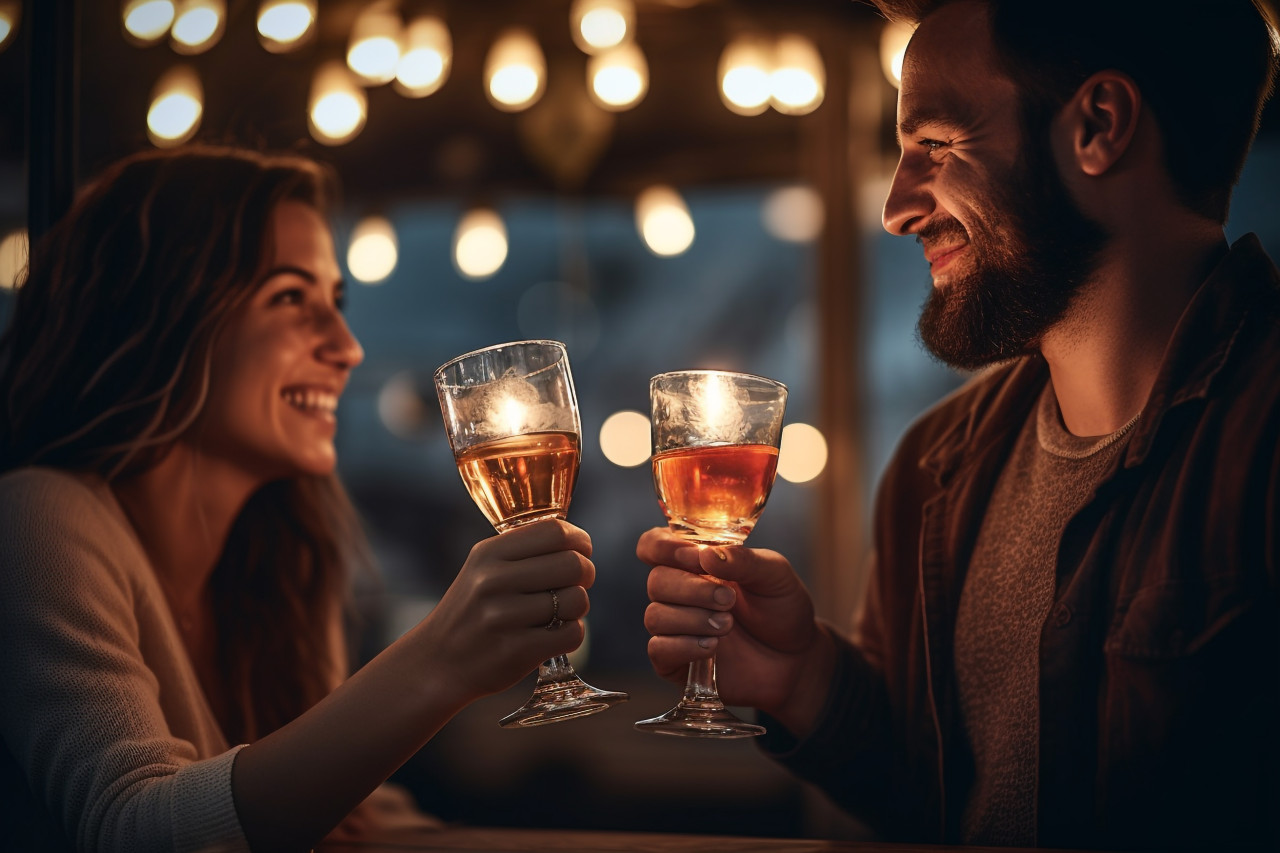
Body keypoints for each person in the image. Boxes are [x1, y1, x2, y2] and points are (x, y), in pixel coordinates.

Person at [639, 1, 1280, 849]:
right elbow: (947, 798)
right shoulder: (934, 469)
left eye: (935, 147)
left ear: (1098, 125)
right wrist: (806, 682)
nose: (896, 208)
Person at [0, 145, 598, 853]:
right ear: (162, 317)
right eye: (290, 297)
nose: (346, 347)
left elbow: (352, 824)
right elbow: (133, 830)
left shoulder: (277, 569)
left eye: (336, 304)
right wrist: (441, 660)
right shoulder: (37, 518)